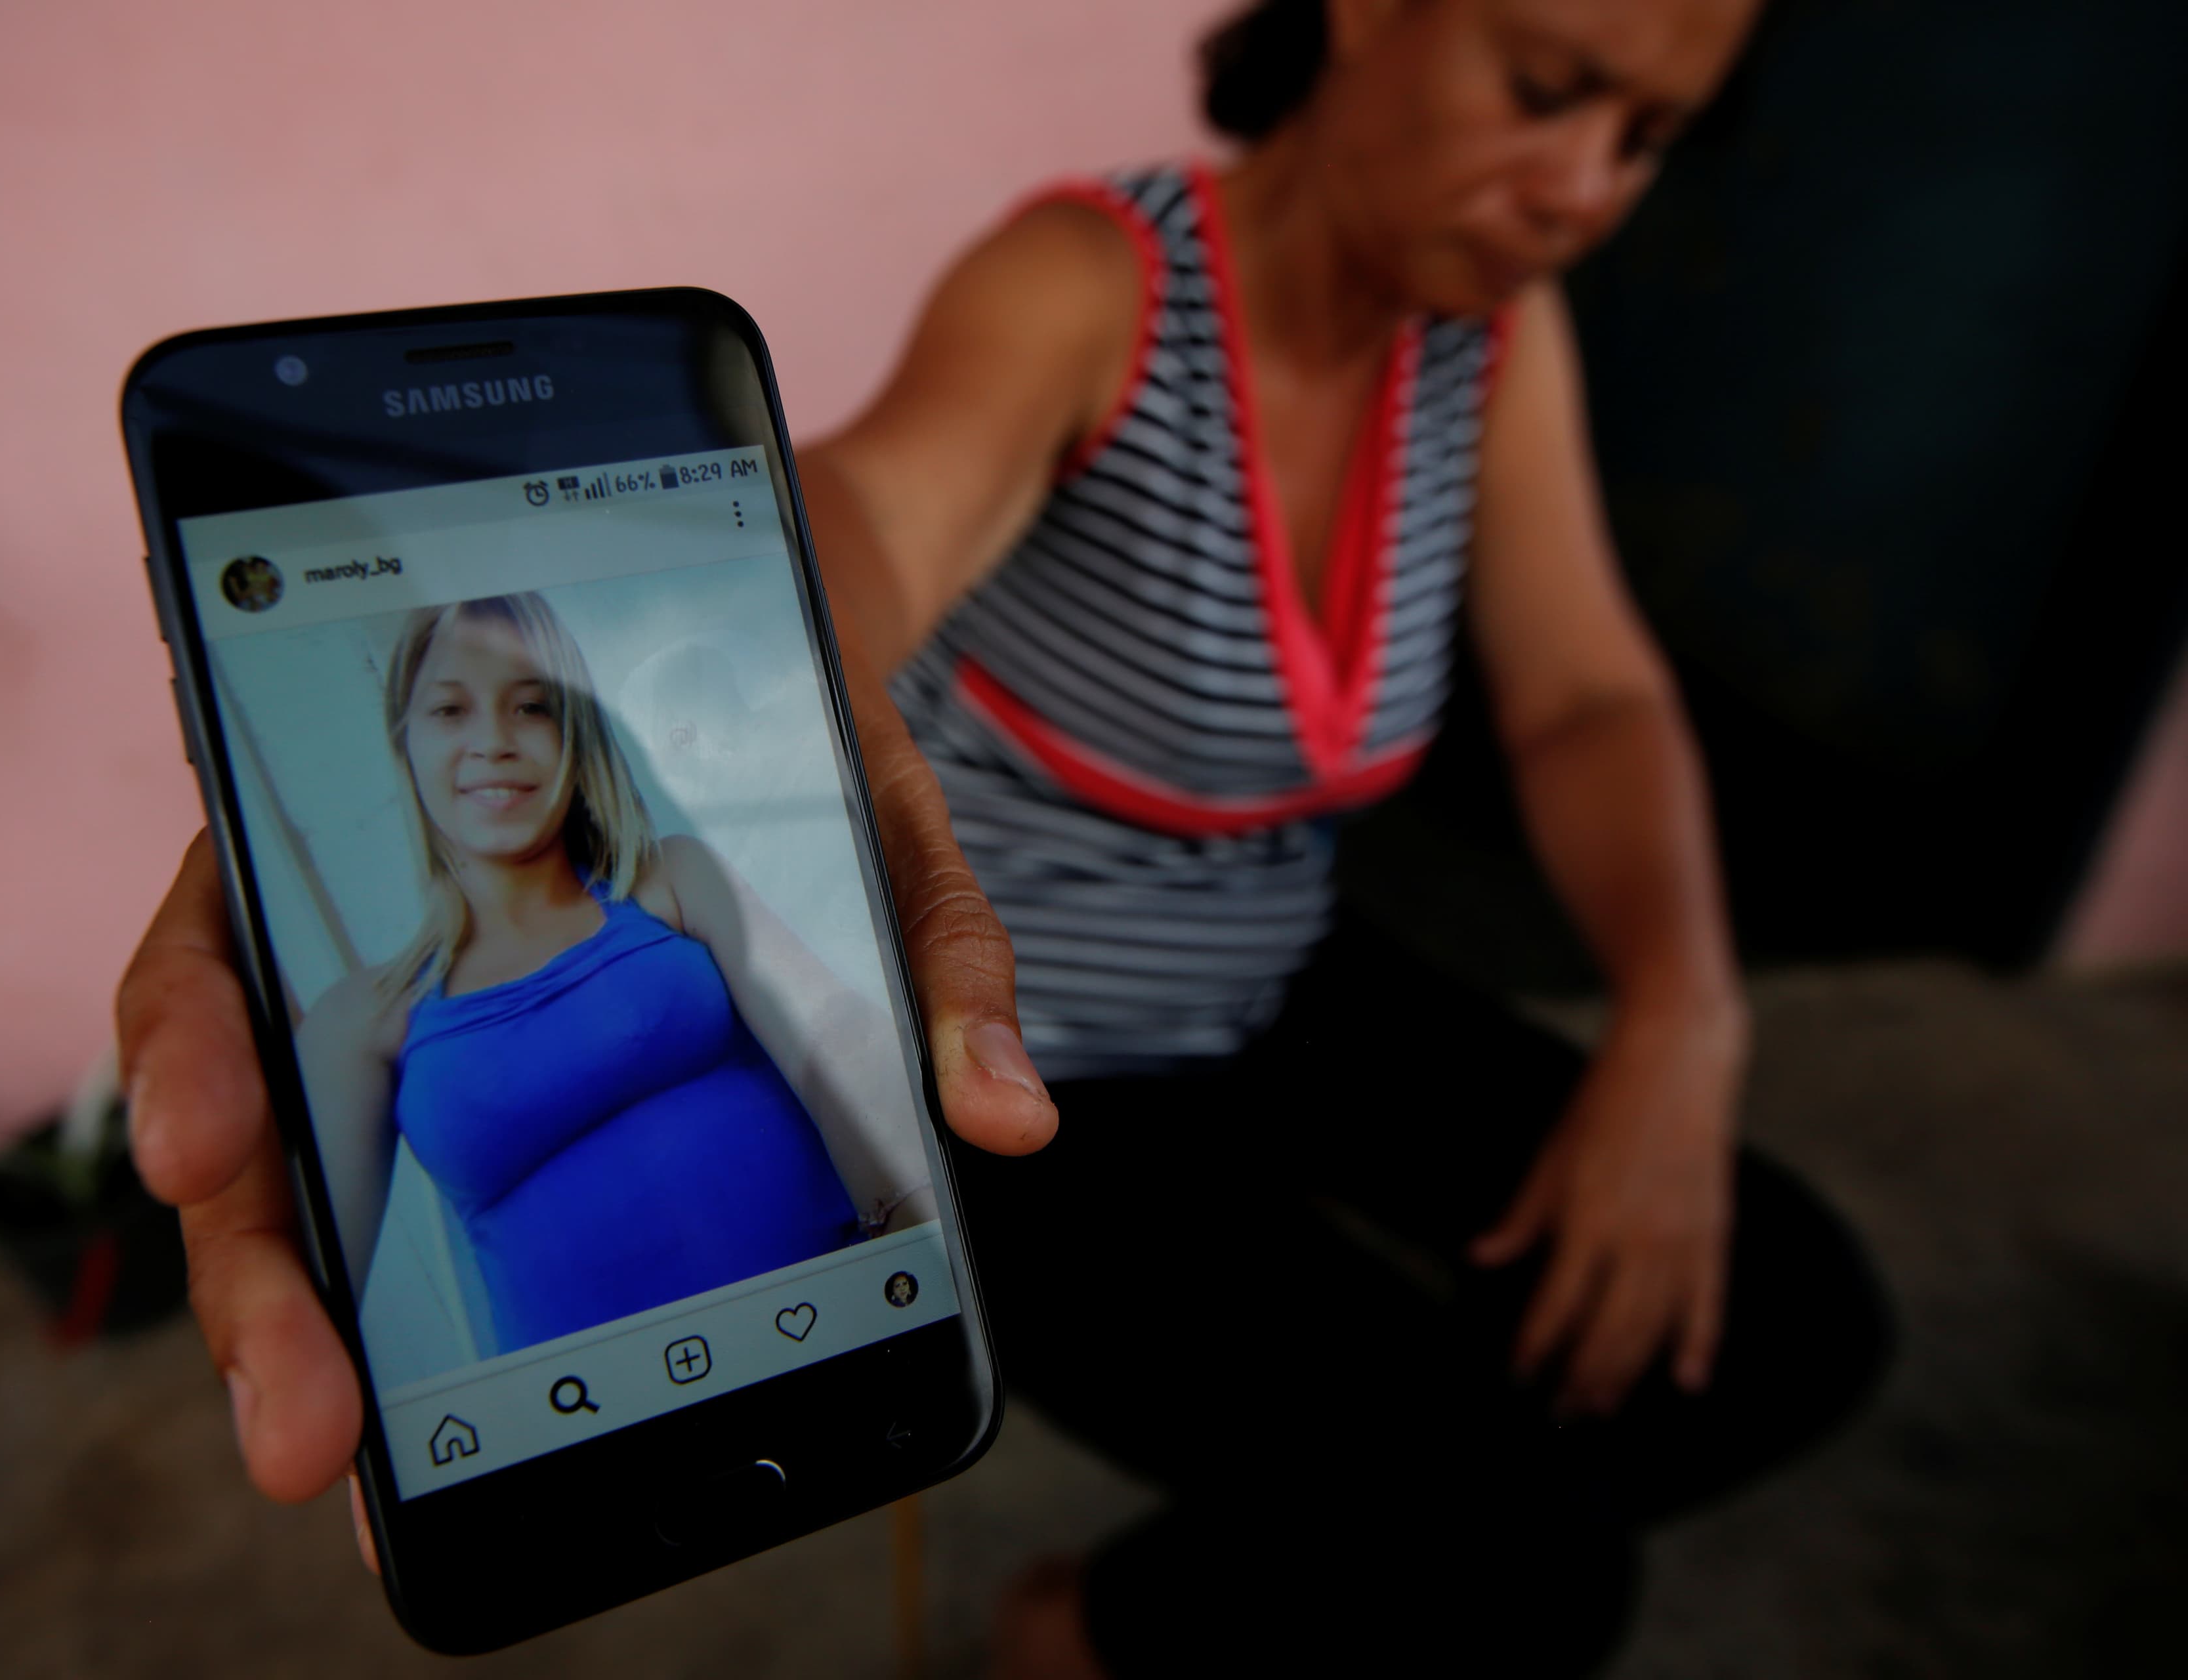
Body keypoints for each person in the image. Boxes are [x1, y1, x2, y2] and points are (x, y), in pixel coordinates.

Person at [117, 1, 1891, 1671]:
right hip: (1045, 1068)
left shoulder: (1490, 344)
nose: (1585, 188)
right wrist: (733, 616)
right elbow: (881, 498)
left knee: (1793, 1326)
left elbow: (1588, 696)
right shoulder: (1091, 287)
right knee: (1529, 1570)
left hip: (1275, 976)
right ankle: (1119, 1632)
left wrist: (1682, 1012)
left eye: (1648, 136)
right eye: (1546, 85)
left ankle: (1281, 1553)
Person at [297, 593, 929, 1354]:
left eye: (531, 706)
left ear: (574, 731)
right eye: (450, 711)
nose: (494, 740)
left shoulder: (673, 880)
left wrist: (915, 1232)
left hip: (838, 1335)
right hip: (598, 1426)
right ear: (406, 742)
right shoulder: (362, 1019)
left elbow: (829, 1029)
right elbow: (306, 1301)